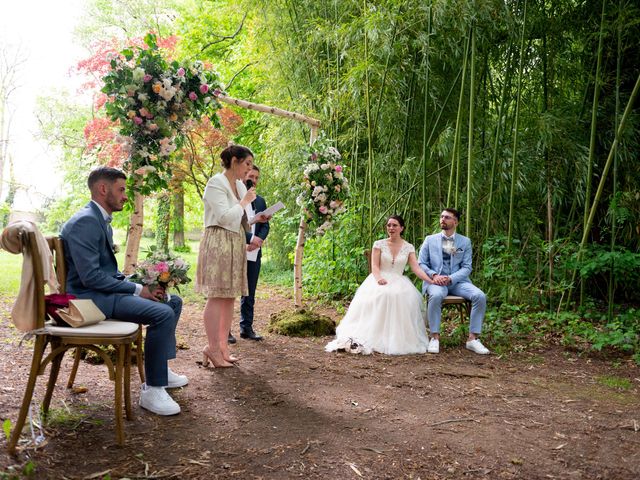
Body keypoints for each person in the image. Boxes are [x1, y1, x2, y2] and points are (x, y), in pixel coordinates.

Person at [61, 167, 187, 416]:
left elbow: (105, 272)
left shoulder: (98, 220)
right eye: (121, 190)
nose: (125, 196)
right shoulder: (86, 221)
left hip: (102, 292)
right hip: (90, 300)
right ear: (103, 189)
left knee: (173, 302)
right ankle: (153, 389)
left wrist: (139, 279)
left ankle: (159, 366)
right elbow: (90, 278)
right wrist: (137, 289)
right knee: (162, 314)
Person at [196, 145, 270, 367]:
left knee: (229, 297)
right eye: (247, 164)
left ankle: (223, 348)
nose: (249, 171)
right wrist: (245, 201)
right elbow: (225, 217)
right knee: (217, 296)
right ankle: (211, 347)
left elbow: (240, 218)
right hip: (218, 240)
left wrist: (257, 219)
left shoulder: (238, 185)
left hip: (235, 240)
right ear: (235, 161)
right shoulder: (215, 183)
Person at [325, 215, 432, 355]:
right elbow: (375, 266)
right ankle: (374, 334)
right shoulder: (379, 244)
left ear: (402, 228)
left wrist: (430, 280)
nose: (391, 228)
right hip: (379, 277)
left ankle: (396, 337)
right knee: (384, 293)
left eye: (394, 225)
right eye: (389, 225)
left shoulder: (408, 247)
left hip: (399, 280)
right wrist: (379, 278)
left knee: (401, 295)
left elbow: (416, 268)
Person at [418, 208, 490, 355]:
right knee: (436, 296)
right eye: (442, 216)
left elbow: (467, 267)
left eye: (447, 217)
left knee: (479, 296)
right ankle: (435, 337)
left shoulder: (464, 241)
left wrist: (451, 278)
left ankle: (473, 339)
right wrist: (434, 275)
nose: (442, 219)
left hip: (458, 282)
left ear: (455, 222)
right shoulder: (429, 240)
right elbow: (421, 263)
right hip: (435, 282)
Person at [239, 165, 270, 341]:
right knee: (230, 291)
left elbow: (265, 224)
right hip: (236, 248)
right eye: (251, 176)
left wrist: (259, 240)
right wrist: (249, 239)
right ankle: (225, 332)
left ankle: (246, 327)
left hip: (254, 251)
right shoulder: (235, 198)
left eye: (257, 177)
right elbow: (232, 224)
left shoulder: (260, 201)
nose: (254, 180)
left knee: (250, 291)